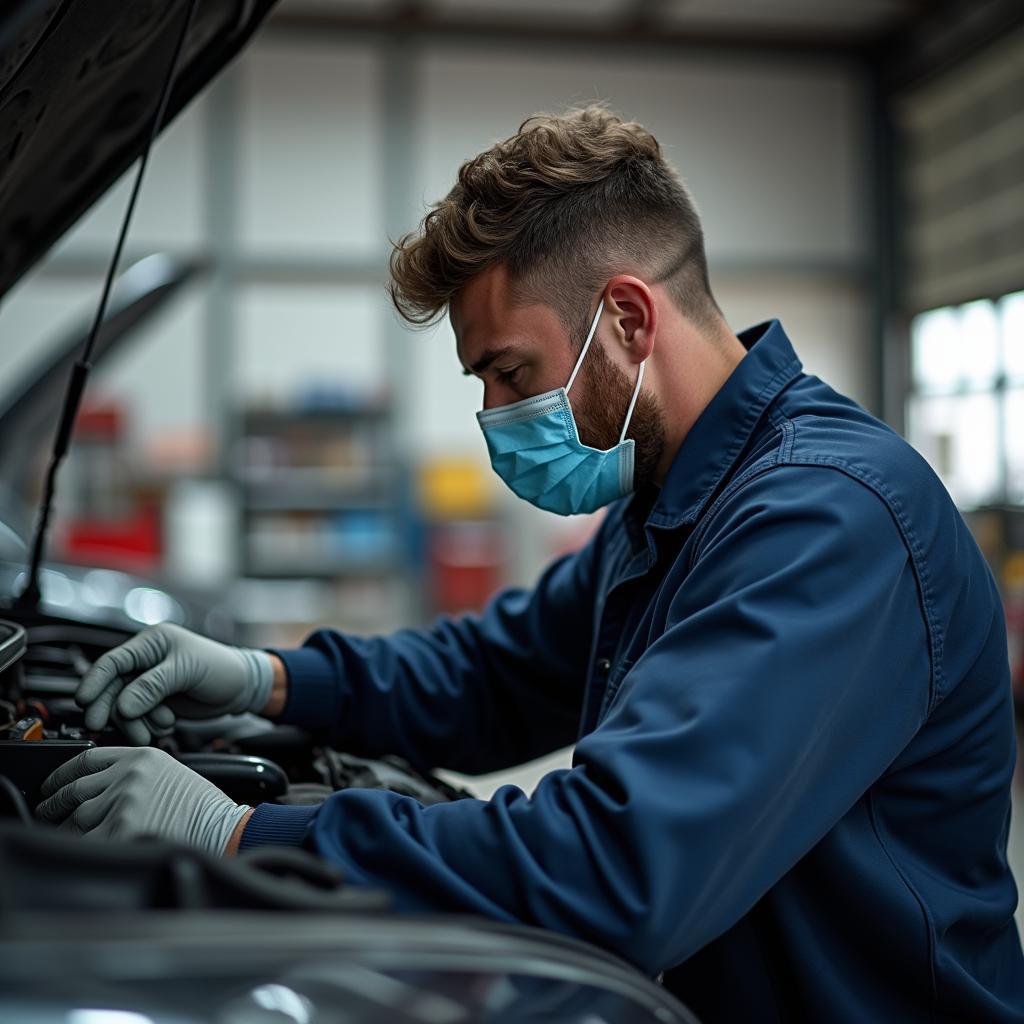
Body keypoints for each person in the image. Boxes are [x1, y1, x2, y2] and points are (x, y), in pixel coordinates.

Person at [37, 106, 1024, 1021]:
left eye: (509, 372)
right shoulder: (675, 501)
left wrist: (243, 837)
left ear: (629, 320)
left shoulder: (826, 521)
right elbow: (498, 672)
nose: (495, 416)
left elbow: (615, 867)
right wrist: (271, 678)